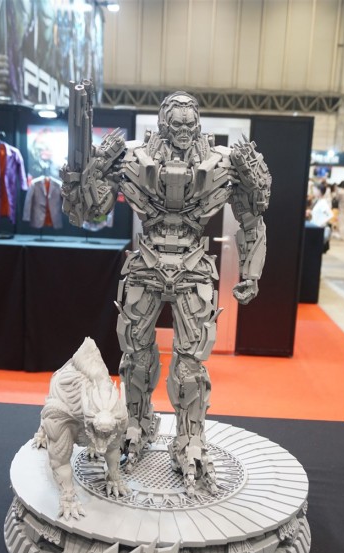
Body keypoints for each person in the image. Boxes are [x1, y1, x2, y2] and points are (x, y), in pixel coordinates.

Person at [61, 91, 271, 495]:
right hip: (146, 263)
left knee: (190, 364)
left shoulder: (225, 162)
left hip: (194, 266)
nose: (183, 130)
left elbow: (251, 218)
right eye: (176, 124)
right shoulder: (130, 158)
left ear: (199, 124)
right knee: (136, 356)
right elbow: (92, 210)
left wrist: (252, 271)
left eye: (190, 124)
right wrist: (82, 176)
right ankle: (135, 424)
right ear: (162, 124)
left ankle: (189, 439)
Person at [309, 183, 333, 252]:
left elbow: (329, 215)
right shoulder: (319, 201)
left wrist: (320, 224)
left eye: (314, 190)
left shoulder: (323, 203)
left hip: (318, 229)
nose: (313, 192)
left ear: (319, 191)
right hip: (315, 227)